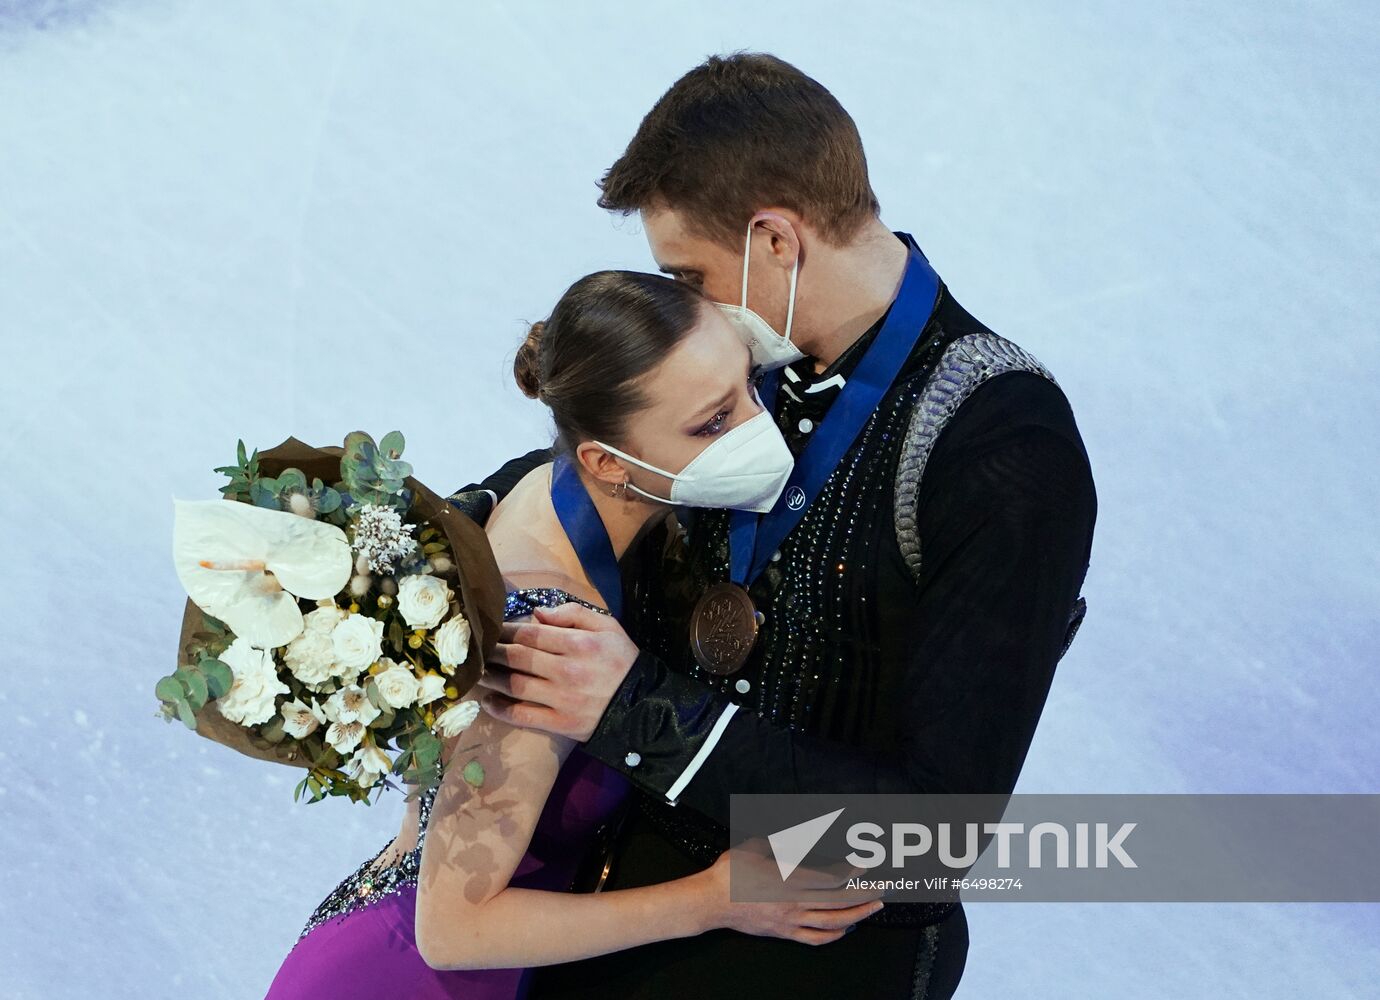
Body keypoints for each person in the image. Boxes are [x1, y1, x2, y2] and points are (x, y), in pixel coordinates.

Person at [473, 53, 1098, 999]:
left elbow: (938, 838)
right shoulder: (740, 354)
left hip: (818, 964)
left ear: (776, 241)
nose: (680, 300)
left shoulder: (1005, 447)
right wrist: (424, 541)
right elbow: (606, 462)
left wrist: (639, 710)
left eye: (689, 272)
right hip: (615, 917)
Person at [264, 270, 885, 999]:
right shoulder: (548, 630)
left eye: (749, 387)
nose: (756, 429)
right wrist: (714, 900)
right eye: (711, 423)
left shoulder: (542, 492)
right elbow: (454, 927)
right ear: (607, 461)